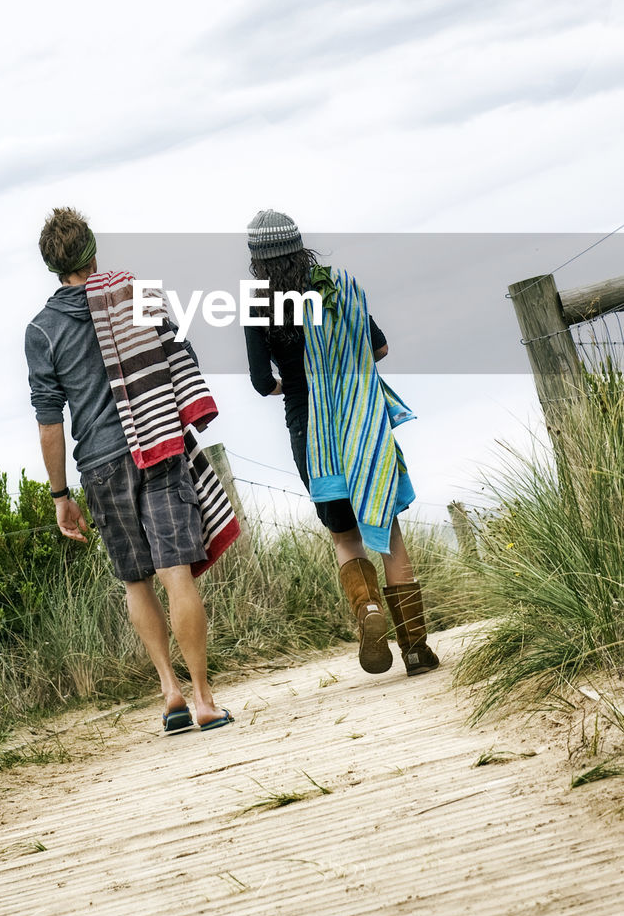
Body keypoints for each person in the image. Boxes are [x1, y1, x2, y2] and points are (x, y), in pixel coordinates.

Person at [25, 207, 234, 732]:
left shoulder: (41, 331)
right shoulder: (135, 296)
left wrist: (59, 495)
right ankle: (205, 699)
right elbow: (178, 354)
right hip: (158, 442)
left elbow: (49, 421)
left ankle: (170, 693)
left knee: (136, 581)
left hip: (98, 465)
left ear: (52, 266)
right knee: (175, 572)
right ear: (93, 251)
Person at [244, 209, 439, 677]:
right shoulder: (339, 287)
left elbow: (258, 381)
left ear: (258, 260)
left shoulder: (258, 304)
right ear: (299, 246)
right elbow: (380, 348)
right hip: (364, 426)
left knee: (345, 537)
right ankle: (415, 649)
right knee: (388, 532)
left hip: (310, 433)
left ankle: (369, 614)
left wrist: (295, 385)